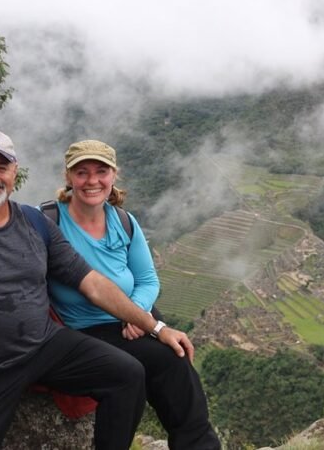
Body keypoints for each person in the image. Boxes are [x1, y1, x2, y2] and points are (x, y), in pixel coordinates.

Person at [0, 128, 194, 450]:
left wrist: (155, 326)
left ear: (14, 171)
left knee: (127, 374)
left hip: (43, 347)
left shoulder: (34, 222)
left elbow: (90, 282)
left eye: (1, 167)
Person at [47, 139, 221, 450]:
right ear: (68, 177)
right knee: (136, 372)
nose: (92, 181)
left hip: (130, 322)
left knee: (176, 361)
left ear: (114, 175)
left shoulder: (124, 222)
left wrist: (137, 313)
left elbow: (147, 279)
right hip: (80, 330)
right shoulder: (49, 222)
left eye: (101, 171)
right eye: (82, 172)